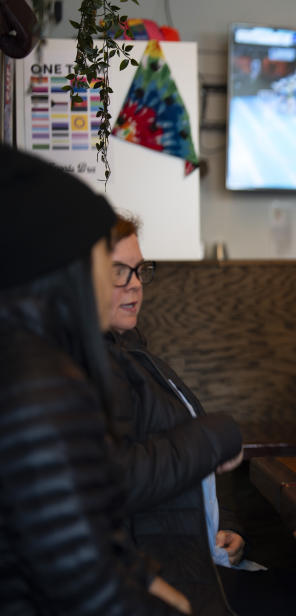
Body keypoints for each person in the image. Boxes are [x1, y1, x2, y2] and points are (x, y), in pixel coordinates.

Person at [104, 215, 296, 616]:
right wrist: (217, 435)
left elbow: (189, 467)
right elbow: (125, 479)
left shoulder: (135, 352)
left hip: (200, 559)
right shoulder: (95, 371)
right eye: (118, 272)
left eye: (140, 271)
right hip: (167, 577)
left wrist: (227, 526)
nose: (136, 284)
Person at [0, 145, 187, 615]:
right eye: (108, 261)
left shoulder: (36, 363)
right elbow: (86, 587)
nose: (126, 281)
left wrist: (146, 577)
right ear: (70, 273)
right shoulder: (39, 385)